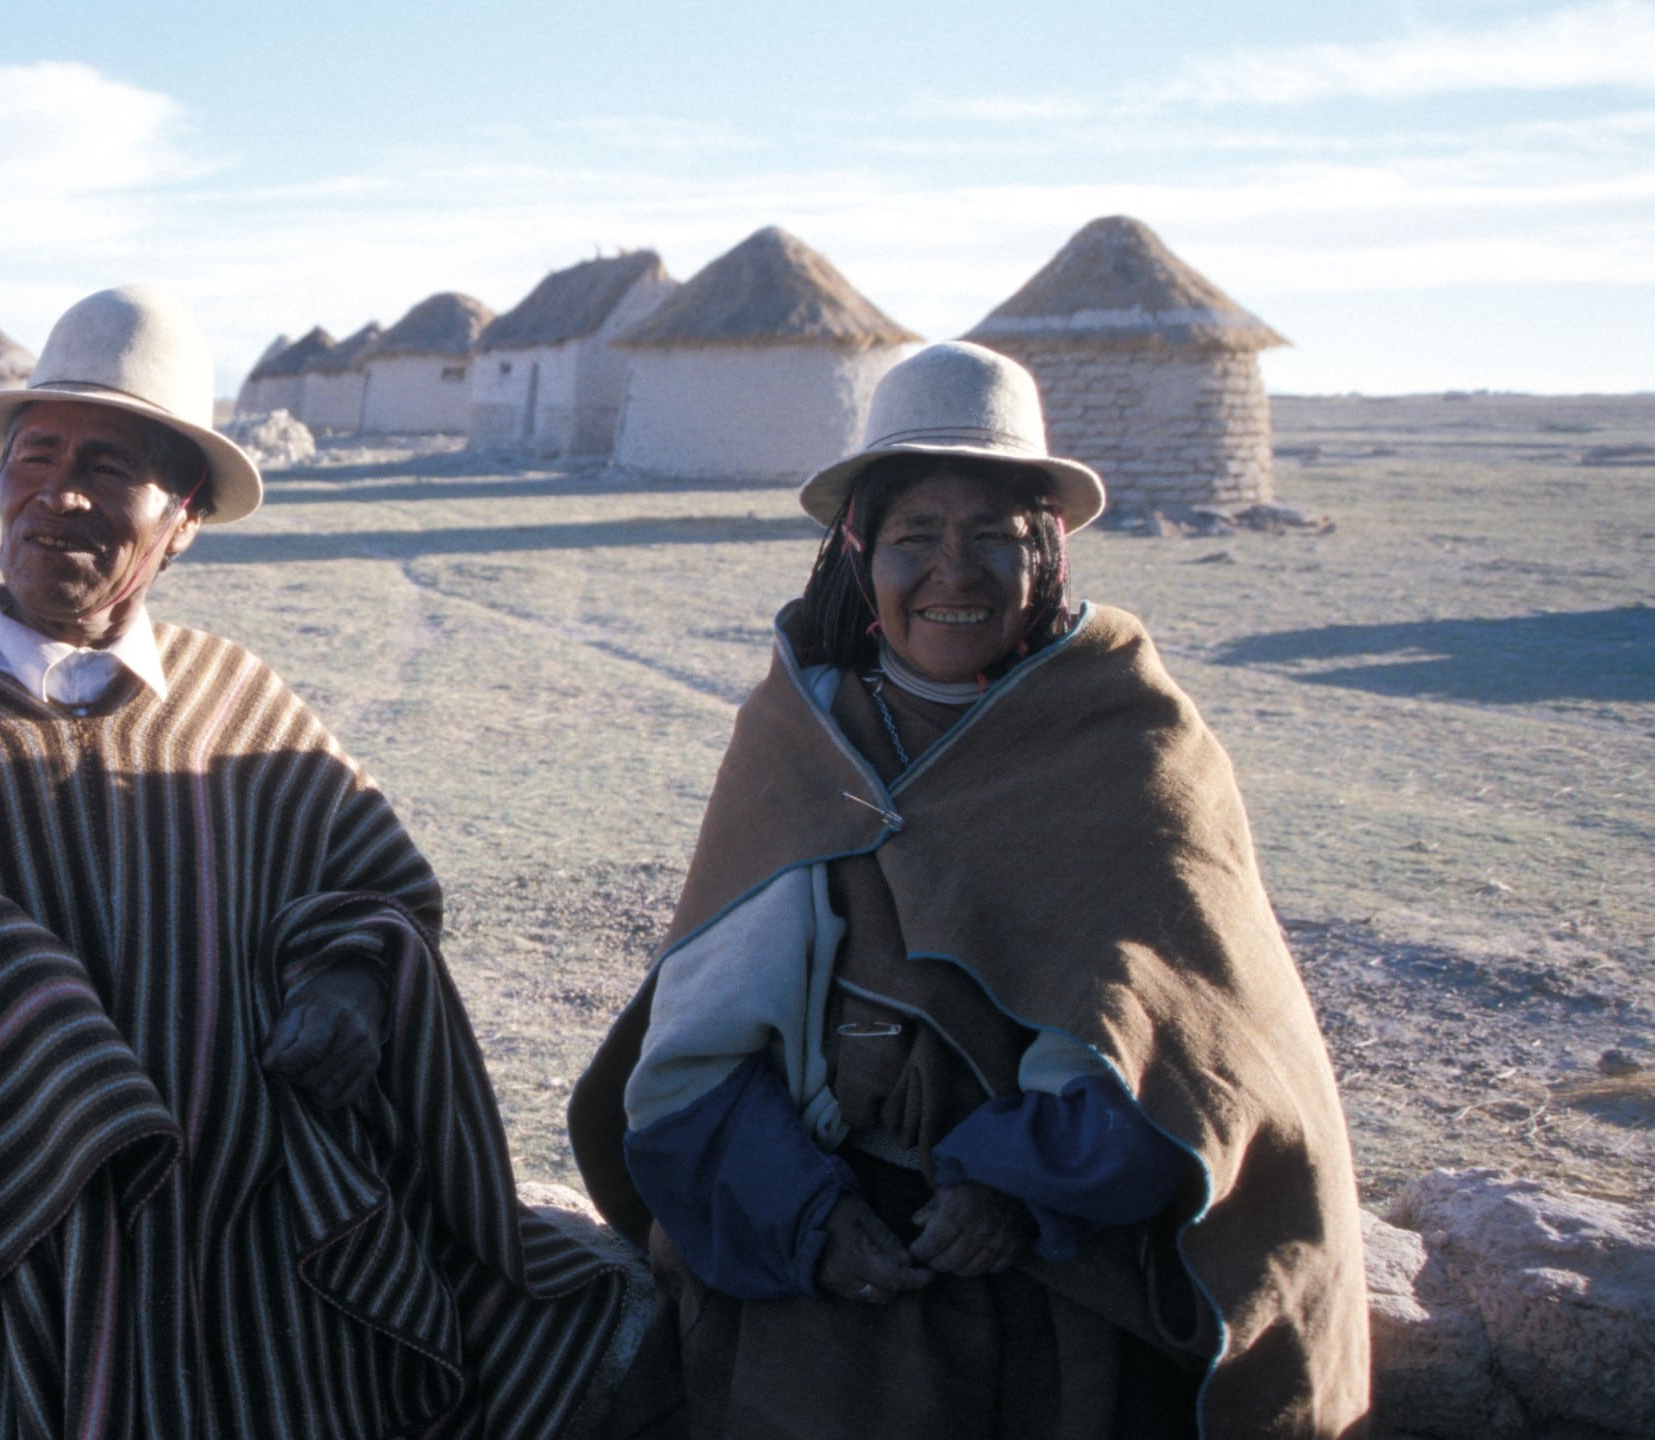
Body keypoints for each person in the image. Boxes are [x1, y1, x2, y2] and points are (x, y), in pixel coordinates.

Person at [0, 287, 623, 1440]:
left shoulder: (238, 705)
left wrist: (350, 980)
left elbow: (379, 888)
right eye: (36, 455)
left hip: (245, 1227)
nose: (60, 493)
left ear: (180, 518)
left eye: (109, 467)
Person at [568, 342, 1370, 1439]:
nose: (955, 572)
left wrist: (1013, 1185)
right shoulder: (798, 740)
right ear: (860, 552)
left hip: (1054, 1268)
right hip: (817, 1246)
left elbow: (1195, 1051)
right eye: (916, 536)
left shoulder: (1127, 743)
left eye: (993, 534)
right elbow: (694, 1050)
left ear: (1045, 551)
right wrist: (805, 1217)